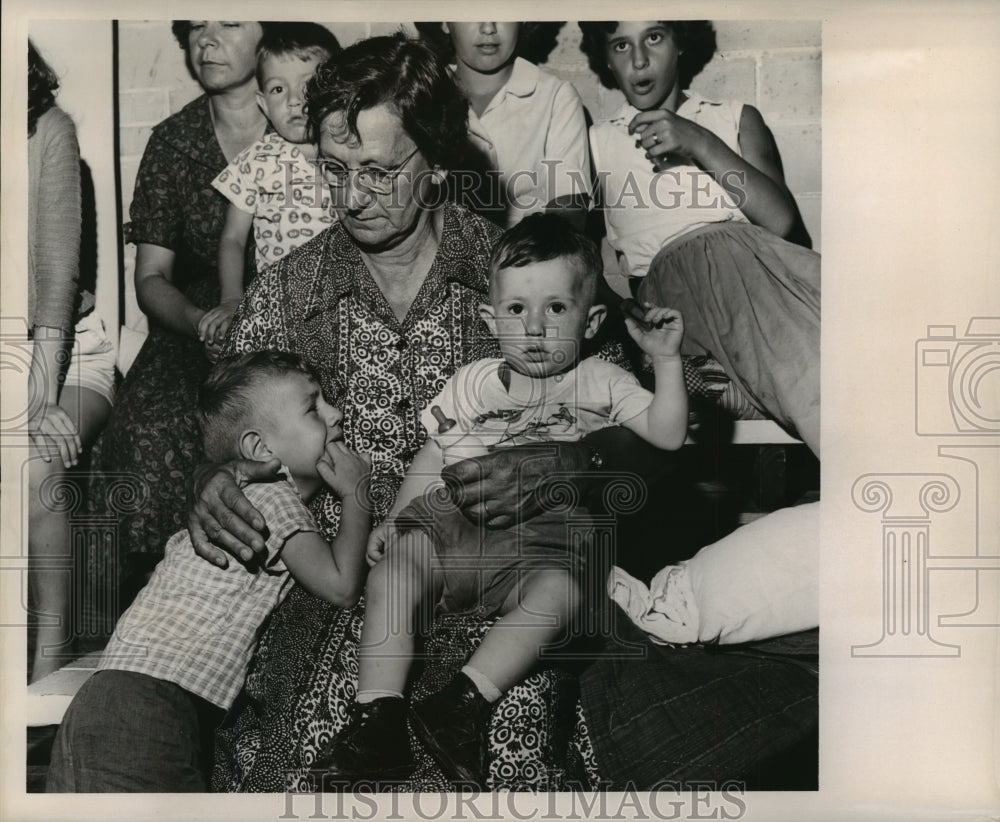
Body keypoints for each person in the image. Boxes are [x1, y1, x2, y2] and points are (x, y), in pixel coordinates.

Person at [188, 33, 649, 792]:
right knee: (321, 760)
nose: (352, 197)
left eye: (377, 171)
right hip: (344, 595)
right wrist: (214, 478)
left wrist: (574, 463)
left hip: (504, 589)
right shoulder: (287, 296)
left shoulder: (521, 280)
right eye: (333, 172)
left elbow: (649, 437)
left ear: (435, 163)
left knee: (506, 754)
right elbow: (229, 433)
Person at [318, 212, 688, 787]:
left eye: (556, 309)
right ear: (490, 318)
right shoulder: (473, 382)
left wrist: (665, 360)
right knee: (393, 572)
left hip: (545, 538)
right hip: (455, 524)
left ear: (591, 322)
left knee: (565, 593)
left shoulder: (600, 381)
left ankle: (463, 702)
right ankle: (380, 716)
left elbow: (666, 435)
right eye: (517, 310)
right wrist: (393, 520)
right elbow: (434, 455)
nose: (534, 328)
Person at [46, 351, 371, 792]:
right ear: (259, 448)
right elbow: (340, 585)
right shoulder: (272, 500)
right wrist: (356, 494)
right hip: (149, 708)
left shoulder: (245, 497)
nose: (337, 414)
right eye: (314, 407)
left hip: (119, 698)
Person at [87, 21, 272, 597]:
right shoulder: (175, 140)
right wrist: (201, 322)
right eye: (196, 27)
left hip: (297, 313)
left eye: (230, 23)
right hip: (195, 323)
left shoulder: (307, 122)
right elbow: (151, 278)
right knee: (147, 428)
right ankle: (153, 597)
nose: (207, 40)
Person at [579, 20, 821, 455]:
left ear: (681, 42)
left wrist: (701, 143)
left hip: (762, 275)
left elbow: (783, 224)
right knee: (813, 362)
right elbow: (574, 259)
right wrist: (622, 311)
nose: (638, 60)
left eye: (654, 37)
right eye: (620, 44)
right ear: (606, 59)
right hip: (677, 292)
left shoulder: (732, 118)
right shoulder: (597, 142)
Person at [26, 40, 116, 682]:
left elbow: (57, 278)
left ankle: (47, 662)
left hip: (64, 353)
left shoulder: (48, 131)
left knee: (38, 464)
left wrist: (38, 398)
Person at [201, 24, 340, 353]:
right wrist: (233, 299)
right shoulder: (257, 160)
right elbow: (233, 238)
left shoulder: (349, 154)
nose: (294, 101)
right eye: (279, 90)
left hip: (344, 303)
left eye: (309, 86)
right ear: (263, 102)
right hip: (279, 306)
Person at [418, 21, 590, 228]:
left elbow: (568, 213)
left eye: (503, 10)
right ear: (445, 22)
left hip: (529, 255)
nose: (488, 28)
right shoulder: (421, 95)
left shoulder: (556, 97)